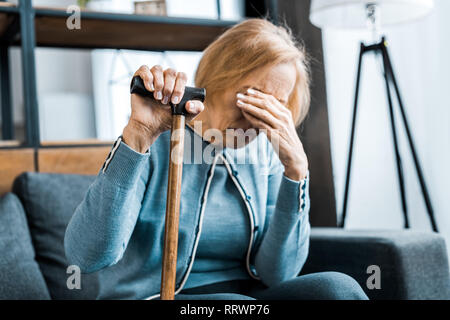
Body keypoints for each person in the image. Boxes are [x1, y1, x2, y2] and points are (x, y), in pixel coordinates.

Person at [64, 18, 368, 300]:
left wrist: (296, 171)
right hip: (162, 297)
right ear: (217, 78)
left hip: (249, 299)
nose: (259, 119)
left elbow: (280, 274)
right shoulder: (156, 142)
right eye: (251, 97)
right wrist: (139, 135)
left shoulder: (266, 155)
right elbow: (87, 256)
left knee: (338, 289)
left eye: (273, 106)